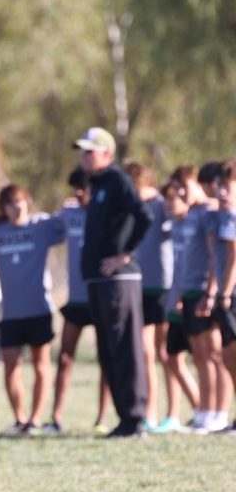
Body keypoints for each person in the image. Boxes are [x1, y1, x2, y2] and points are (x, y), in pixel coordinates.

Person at [75, 127, 152, 437]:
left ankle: (135, 418)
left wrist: (124, 255)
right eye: (82, 151)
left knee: (124, 347)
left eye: (89, 151)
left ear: (106, 154)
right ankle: (124, 419)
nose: (83, 157)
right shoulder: (97, 185)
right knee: (108, 349)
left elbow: (143, 216)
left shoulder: (118, 180)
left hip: (119, 280)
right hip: (97, 279)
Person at [0, 185, 65, 434]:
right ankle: (19, 418)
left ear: (28, 202)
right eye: (9, 204)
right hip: (10, 313)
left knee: (41, 365)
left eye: (19, 202)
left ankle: (36, 419)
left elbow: (65, 224)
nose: (16, 208)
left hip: (39, 310)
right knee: (10, 367)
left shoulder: (40, 228)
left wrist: (69, 207)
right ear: (3, 208)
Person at [47, 168, 110, 434]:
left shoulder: (105, 214)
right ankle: (56, 418)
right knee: (64, 358)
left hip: (100, 295)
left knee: (105, 359)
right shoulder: (69, 215)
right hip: (75, 299)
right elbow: (49, 229)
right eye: (76, 189)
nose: (80, 194)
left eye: (84, 188)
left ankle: (102, 418)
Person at [173, 164, 225, 433]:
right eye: (177, 187)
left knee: (215, 356)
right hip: (190, 290)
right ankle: (204, 411)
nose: (182, 191)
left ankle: (219, 412)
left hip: (206, 291)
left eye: (186, 185)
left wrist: (212, 291)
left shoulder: (210, 212)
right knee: (200, 357)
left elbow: (215, 255)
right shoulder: (191, 214)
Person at [128, 161, 176, 432]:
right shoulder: (132, 208)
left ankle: (174, 413)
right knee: (145, 354)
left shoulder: (160, 204)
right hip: (140, 286)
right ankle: (150, 412)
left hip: (164, 286)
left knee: (166, 352)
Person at [159, 173, 202, 431]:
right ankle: (199, 407)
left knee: (204, 357)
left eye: (172, 200)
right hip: (177, 299)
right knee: (173, 356)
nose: (169, 206)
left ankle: (209, 410)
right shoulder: (175, 225)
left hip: (195, 296)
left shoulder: (196, 223)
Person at [203, 160, 236, 431]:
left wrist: (224, 293)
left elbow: (233, 258)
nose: (221, 192)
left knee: (231, 354)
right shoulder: (222, 215)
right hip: (227, 294)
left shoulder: (232, 216)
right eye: (219, 186)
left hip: (231, 294)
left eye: (227, 186)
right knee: (228, 355)